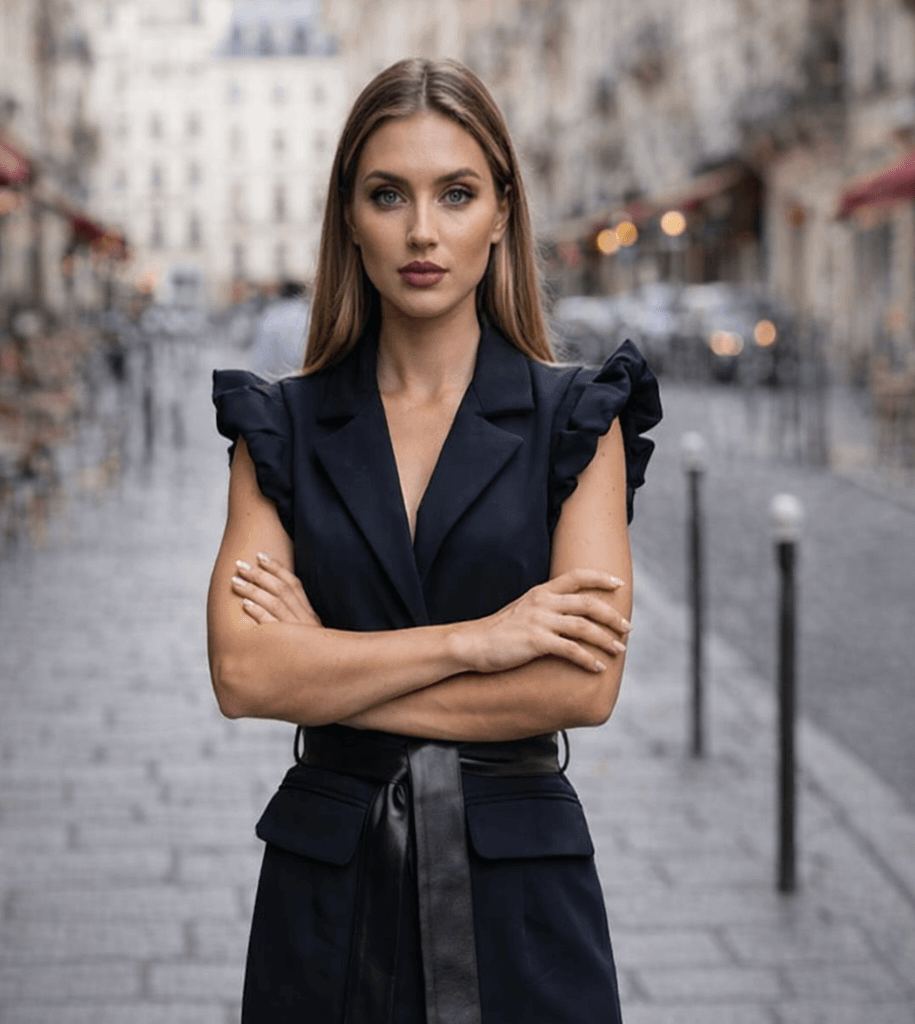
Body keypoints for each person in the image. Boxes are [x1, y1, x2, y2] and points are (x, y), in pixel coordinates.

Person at [208, 57, 662, 1024]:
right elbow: (246, 674)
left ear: (500, 212)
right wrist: (479, 641)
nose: (422, 230)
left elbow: (581, 685)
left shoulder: (578, 417)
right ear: (348, 216)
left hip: (520, 896)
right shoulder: (279, 427)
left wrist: (328, 664)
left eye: (455, 193)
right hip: (324, 895)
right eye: (388, 194)